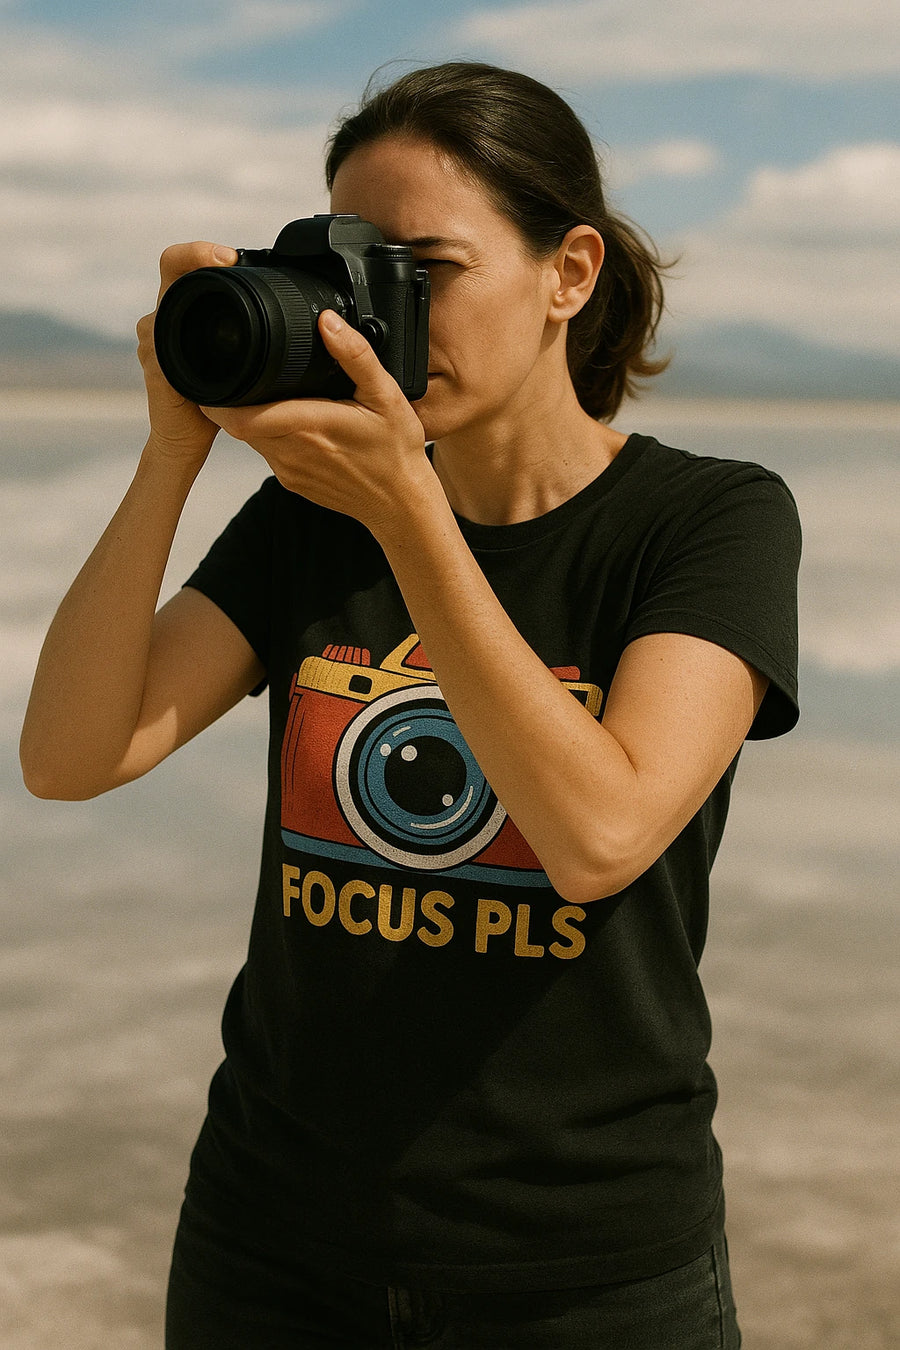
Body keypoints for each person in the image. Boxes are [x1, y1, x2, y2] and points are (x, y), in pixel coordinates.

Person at [20, 61, 800, 1350]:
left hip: (583, 1270)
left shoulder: (706, 520)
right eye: (356, 275)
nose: (380, 319)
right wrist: (175, 448)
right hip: (269, 1245)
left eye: (425, 273)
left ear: (571, 272)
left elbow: (598, 837)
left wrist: (407, 513)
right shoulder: (318, 522)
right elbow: (69, 756)